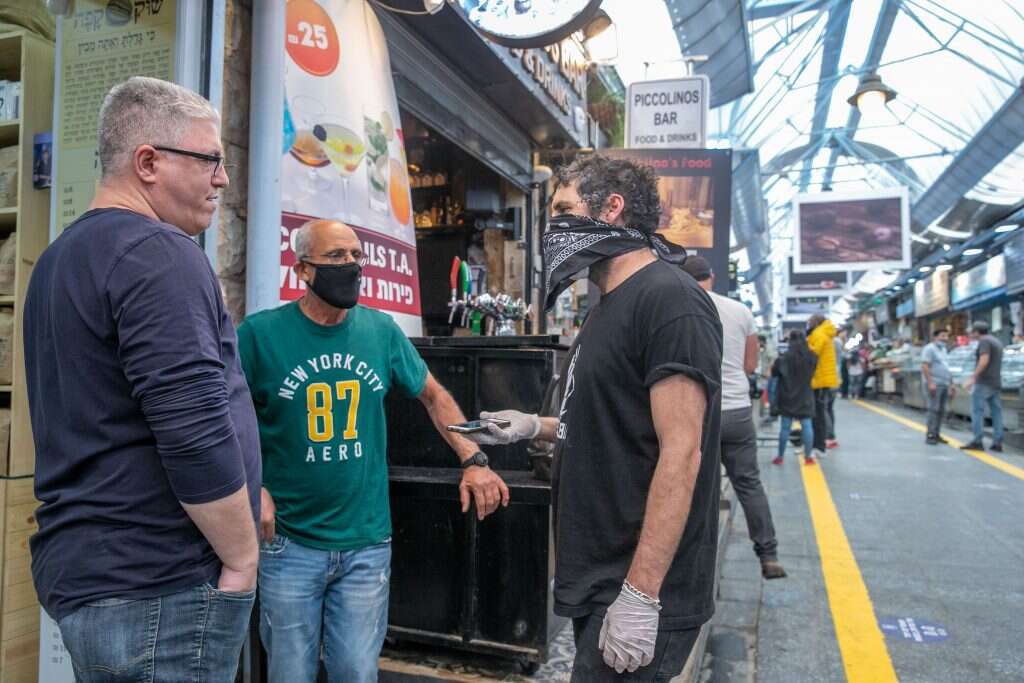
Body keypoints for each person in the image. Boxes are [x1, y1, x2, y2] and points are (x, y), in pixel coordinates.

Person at [23, 77, 261, 680]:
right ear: (148, 162)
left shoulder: (59, 260)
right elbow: (194, 428)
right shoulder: (158, 253)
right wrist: (240, 558)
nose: (223, 179)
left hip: (107, 576)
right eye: (210, 159)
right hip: (161, 587)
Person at [464, 155, 723, 680]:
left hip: (636, 586)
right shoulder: (608, 305)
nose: (552, 226)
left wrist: (641, 595)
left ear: (612, 209)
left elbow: (682, 452)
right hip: (599, 575)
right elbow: (617, 427)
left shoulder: (671, 302)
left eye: (563, 209)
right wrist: (532, 425)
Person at [238, 219, 510, 682]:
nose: (352, 266)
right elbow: (226, 417)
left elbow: (434, 395)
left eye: (357, 256)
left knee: (357, 673)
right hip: (289, 542)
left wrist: (473, 457)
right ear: (304, 270)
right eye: (337, 257)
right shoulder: (259, 336)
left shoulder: (381, 332)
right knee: (289, 674)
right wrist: (251, 487)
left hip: (366, 544)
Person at [681, 256, 785, 580]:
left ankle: (695, 564)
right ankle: (768, 555)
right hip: (737, 410)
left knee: (698, 487)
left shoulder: (680, 307)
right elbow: (750, 365)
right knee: (749, 483)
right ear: (712, 276)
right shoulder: (740, 311)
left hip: (698, 412)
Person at [771, 330, 817, 466]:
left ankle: (780, 457)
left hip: (787, 396)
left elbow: (774, 374)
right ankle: (808, 457)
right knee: (807, 426)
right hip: (805, 395)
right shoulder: (812, 357)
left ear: (790, 341)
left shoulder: (782, 359)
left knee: (785, 428)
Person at [962, 320, 1004, 451]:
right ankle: (997, 442)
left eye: (972, 332)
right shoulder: (996, 341)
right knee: (996, 412)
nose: (971, 334)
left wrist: (972, 377)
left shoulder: (984, 341)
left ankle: (977, 440)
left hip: (983, 382)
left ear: (976, 332)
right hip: (995, 381)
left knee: (977, 411)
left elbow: (984, 360)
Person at [806, 314, 839, 458]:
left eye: (809, 322)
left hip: (820, 380)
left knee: (818, 414)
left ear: (814, 322)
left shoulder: (819, 334)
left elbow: (813, 354)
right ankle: (820, 442)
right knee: (823, 411)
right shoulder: (824, 333)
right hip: (824, 379)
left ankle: (819, 446)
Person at [921, 328, 954, 445]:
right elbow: (925, 366)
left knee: (940, 410)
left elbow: (947, 368)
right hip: (934, 384)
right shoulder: (929, 349)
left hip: (944, 383)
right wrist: (930, 382)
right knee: (933, 409)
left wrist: (951, 384)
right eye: (942, 336)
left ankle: (937, 433)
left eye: (946, 336)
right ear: (935, 337)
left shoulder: (944, 350)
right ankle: (930, 434)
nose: (945, 338)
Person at [826, 333, 843, 447]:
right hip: (836, 379)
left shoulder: (826, 342)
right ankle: (832, 436)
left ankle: (829, 436)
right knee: (829, 409)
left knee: (824, 410)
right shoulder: (838, 342)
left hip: (827, 380)